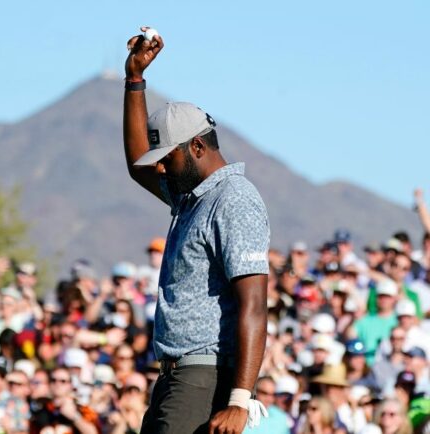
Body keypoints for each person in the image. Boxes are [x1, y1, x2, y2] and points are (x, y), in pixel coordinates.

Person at [122, 27, 270, 433]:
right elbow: (139, 164)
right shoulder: (192, 197)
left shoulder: (232, 199)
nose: (161, 168)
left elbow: (254, 304)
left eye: (167, 158)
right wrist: (134, 81)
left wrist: (240, 399)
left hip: (204, 377)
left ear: (198, 148)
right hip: (177, 377)